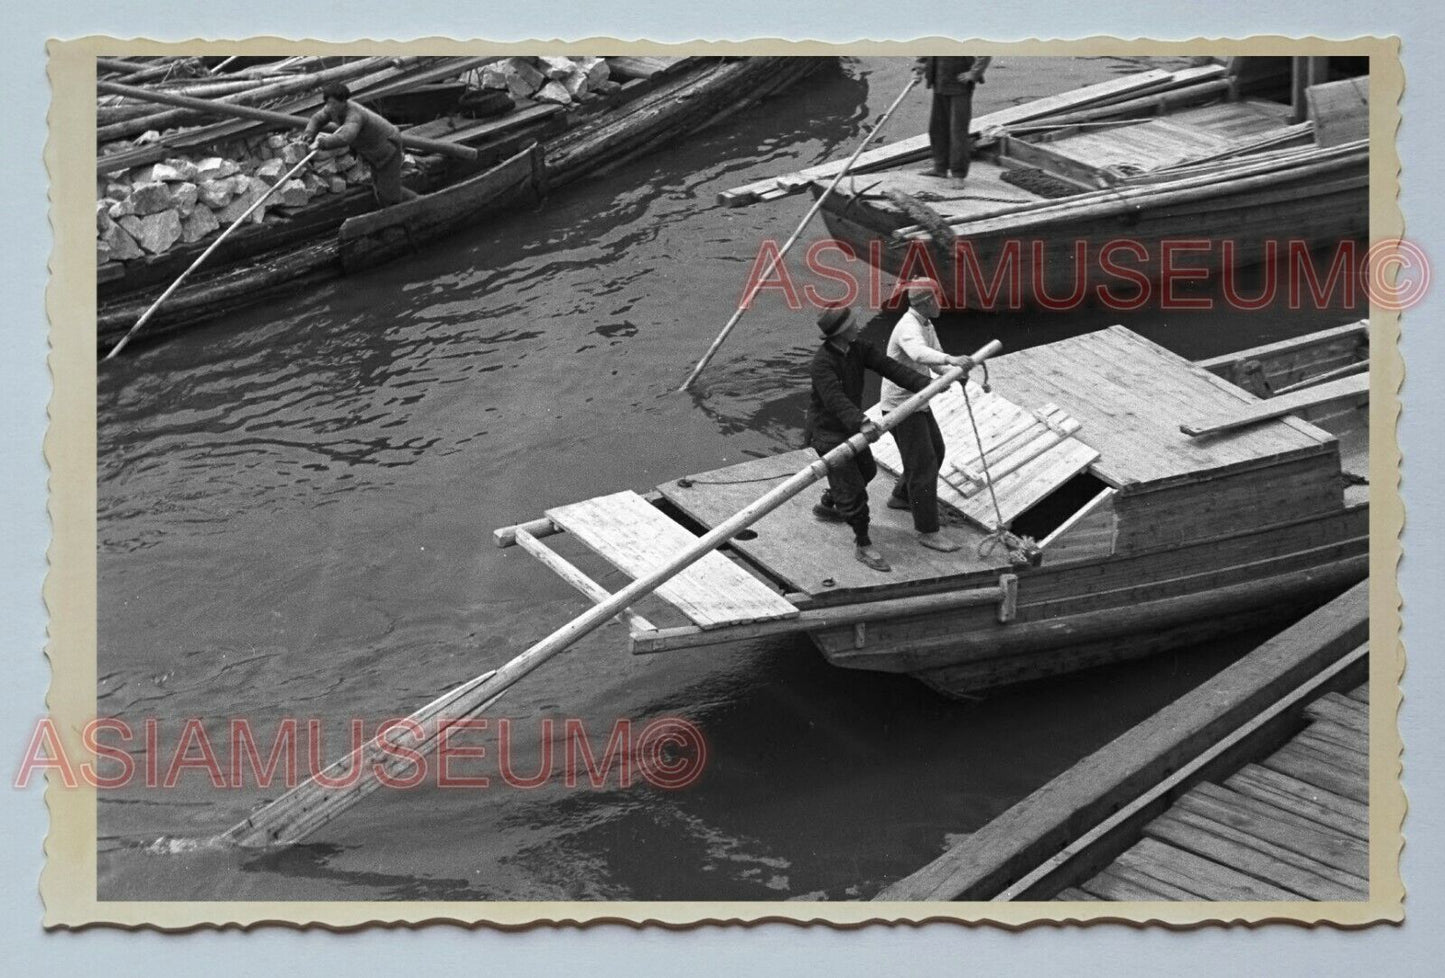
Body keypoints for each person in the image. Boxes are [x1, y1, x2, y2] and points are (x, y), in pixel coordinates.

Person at [806, 304, 933, 573]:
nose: (858, 325)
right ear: (841, 332)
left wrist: (925, 384)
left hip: (849, 428)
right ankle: (863, 545)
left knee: (867, 470)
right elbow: (834, 399)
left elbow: (889, 367)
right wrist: (862, 422)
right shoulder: (822, 364)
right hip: (829, 433)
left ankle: (831, 502)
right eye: (852, 323)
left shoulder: (858, 348)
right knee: (854, 492)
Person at [878, 279, 974, 553]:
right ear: (926, 302)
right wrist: (951, 361)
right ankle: (927, 531)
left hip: (918, 402)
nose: (941, 303)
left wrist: (955, 373)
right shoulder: (909, 327)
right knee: (924, 465)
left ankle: (902, 496)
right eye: (937, 298)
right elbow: (920, 354)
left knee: (937, 451)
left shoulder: (926, 324)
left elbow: (937, 357)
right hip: (901, 407)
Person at [300, 82, 419, 207]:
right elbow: (316, 119)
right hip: (372, 150)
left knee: (389, 194)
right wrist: (309, 133)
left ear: (344, 101)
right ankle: (410, 202)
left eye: (334, 104)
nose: (330, 107)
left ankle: (416, 204)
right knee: (380, 185)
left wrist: (324, 143)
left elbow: (346, 136)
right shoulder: (331, 109)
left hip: (388, 147)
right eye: (328, 103)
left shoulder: (354, 114)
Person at [914, 56, 991, 179]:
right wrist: (918, 71)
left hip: (960, 86)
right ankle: (940, 168)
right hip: (939, 83)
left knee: (958, 131)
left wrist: (974, 73)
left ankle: (958, 174)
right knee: (936, 130)